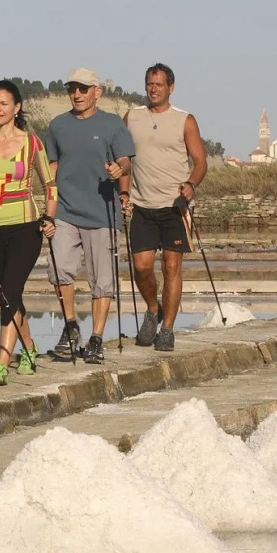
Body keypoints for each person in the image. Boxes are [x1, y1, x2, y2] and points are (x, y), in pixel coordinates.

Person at [43, 67, 134, 364]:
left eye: (83, 88)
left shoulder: (112, 125)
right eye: (72, 88)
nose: (77, 94)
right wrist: (47, 210)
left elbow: (125, 160)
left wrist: (120, 172)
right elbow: (52, 171)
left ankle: (96, 338)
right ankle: (71, 327)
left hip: (102, 213)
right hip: (66, 212)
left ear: (98, 91)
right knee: (59, 271)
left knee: (102, 280)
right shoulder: (57, 126)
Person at [124, 63, 207, 352]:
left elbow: (200, 162)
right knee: (141, 267)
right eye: (149, 83)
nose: (154, 88)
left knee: (172, 266)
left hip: (175, 206)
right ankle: (152, 308)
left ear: (171, 87)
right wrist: (123, 192)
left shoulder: (185, 120)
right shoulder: (132, 117)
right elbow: (123, 160)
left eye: (159, 84)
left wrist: (191, 185)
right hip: (142, 204)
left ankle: (168, 329)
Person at [0, 79, 56, 382]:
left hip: (26, 227)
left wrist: (50, 218)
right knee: (10, 294)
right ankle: (30, 348)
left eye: (3, 103)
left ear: (17, 107)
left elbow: (50, 185)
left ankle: (2, 361)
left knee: (9, 292)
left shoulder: (31, 142)